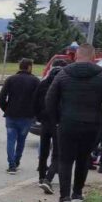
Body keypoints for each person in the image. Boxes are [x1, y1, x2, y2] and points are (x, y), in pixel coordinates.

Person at [46, 44, 102, 202]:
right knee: (84, 158)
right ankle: (77, 193)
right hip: (92, 124)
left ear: (77, 56)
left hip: (67, 122)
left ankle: (64, 196)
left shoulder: (63, 74)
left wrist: (56, 119)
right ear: (93, 57)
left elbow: (50, 99)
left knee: (65, 159)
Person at [0, 58, 40, 174]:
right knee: (21, 141)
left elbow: (2, 96)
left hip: (11, 115)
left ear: (19, 66)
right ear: (29, 67)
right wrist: (35, 112)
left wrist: (5, 108)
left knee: (10, 140)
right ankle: (16, 161)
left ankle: (11, 165)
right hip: (27, 116)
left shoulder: (11, 79)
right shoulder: (36, 81)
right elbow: (39, 99)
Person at [34, 58, 67, 194]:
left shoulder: (43, 83)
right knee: (58, 153)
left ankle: (41, 176)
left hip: (45, 122)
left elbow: (35, 101)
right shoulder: (64, 84)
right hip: (58, 122)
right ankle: (49, 178)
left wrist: (40, 117)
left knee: (44, 150)